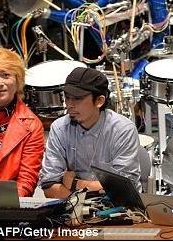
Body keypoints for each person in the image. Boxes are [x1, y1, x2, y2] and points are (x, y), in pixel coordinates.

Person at [38, 67, 140, 198]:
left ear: (99, 101)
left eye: (77, 98)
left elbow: (124, 189)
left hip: (119, 206)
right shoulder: (59, 128)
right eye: (67, 97)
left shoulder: (123, 130)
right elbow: (49, 186)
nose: (69, 105)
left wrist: (75, 183)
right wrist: (81, 202)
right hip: (72, 206)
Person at [0, 48, 44, 197]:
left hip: (1, 200)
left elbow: (26, 181)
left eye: (5, 75)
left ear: (18, 79)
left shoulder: (32, 125)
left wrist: (2, 202)